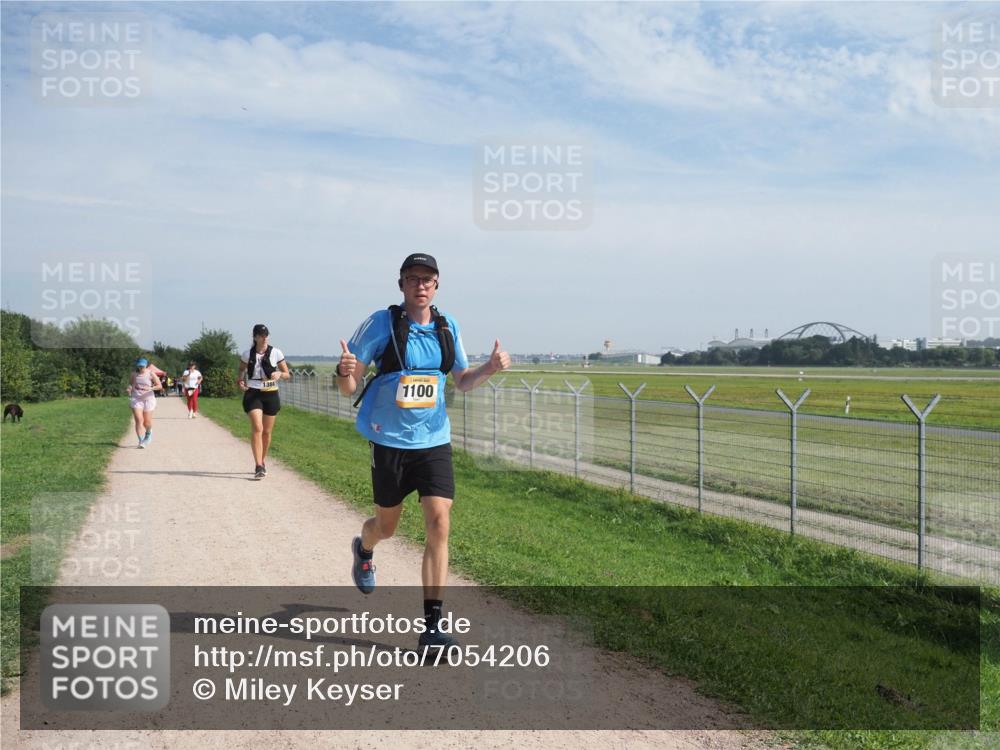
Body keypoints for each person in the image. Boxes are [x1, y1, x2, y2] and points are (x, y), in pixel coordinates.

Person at [337, 253, 510, 651]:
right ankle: (364, 548)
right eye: (413, 278)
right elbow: (350, 388)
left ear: (437, 285)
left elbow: (462, 380)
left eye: (427, 279)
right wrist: (345, 370)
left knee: (439, 521)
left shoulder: (448, 327)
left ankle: (432, 626)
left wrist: (489, 369)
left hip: (433, 440)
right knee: (387, 527)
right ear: (401, 284)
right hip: (389, 442)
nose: (420, 285)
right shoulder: (383, 323)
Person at [237, 324, 291, 479]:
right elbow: (241, 369)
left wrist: (280, 374)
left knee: (267, 432)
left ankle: (262, 460)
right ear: (255, 337)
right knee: (258, 427)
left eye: (266, 334)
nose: (264, 337)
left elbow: (287, 374)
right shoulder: (247, 354)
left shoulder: (276, 352)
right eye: (261, 335)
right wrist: (240, 380)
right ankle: (258, 465)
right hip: (253, 393)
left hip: (271, 393)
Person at [127, 357, 162, 448]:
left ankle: (148, 432)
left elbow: (159, 386)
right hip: (136, 398)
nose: (141, 368)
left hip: (148, 398)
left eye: (142, 366)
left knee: (146, 423)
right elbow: (131, 384)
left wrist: (150, 388)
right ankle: (141, 441)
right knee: (139, 420)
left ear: (146, 365)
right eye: (139, 366)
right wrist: (129, 388)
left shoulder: (151, 373)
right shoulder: (134, 374)